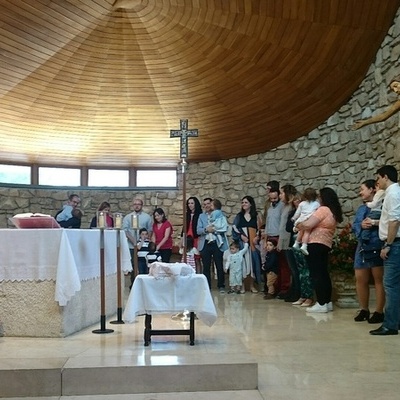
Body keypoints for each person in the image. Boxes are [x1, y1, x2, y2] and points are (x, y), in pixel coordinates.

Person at [297, 187, 343, 313]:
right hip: (325, 243)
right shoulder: (333, 211)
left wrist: (298, 225)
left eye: (319, 196)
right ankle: (327, 302)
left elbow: (308, 224)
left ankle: (321, 302)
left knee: (316, 274)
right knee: (323, 273)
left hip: (315, 243)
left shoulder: (323, 210)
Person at [370, 165, 400, 336]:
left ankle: (390, 324)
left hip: (394, 243)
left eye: (378, 178)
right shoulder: (392, 193)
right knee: (395, 285)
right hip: (394, 242)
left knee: (391, 285)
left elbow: (394, 221)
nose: (378, 182)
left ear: (386, 177)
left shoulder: (393, 193)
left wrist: (388, 244)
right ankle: (395, 320)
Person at [352, 179, 385, 323]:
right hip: (362, 246)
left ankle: (379, 311)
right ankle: (364, 309)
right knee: (360, 278)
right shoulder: (361, 208)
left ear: (372, 189)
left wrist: (372, 224)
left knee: (378, 279)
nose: (360, 192)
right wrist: (361, 225)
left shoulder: (382, 205)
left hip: (376, 244)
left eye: (362, 189)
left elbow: (386, 223)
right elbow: (355, 225)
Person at [197, 197, 229, 292]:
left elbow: (224, 226)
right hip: (205, 243)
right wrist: (206, 230)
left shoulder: (219, 214)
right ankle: (207, 285)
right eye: (205, 204)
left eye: (208, 203)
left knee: (219, 264)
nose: (207, 206)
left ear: (212, 205)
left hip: (217, 243)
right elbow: (198, 230)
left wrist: (216, 229)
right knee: (206, 266)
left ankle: (221, 285)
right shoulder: (201, 216)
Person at [232, 195, 260, 293]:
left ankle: (252, 285)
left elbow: (259, 228)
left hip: (253, 244)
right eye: (242, 202)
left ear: (251, 204)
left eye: (246, 202)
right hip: (242, 243)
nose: (244, 204)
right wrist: (241, 236)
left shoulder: (256, 215)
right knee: (242, 264)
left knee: (252, 264)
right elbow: (234, 228)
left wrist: (257, 237)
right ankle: (242, 285)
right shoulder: (239, 216)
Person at [122, 198, 153, 285]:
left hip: (143, 246)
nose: (136, 205)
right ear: (133, 205)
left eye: (138, 204)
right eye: (135, 204)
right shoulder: (128, 217)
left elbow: (150, 230)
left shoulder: (146, 217)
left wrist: (145, 242)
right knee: (133, 265)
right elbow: (126, 230)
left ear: (141, 205)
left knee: (144, 264)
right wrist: (134, 242)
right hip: (131, 246)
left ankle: (144, 284)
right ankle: (134, 284)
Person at [276, 184, 298, 299]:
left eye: (281, 193)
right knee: (290, 267)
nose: (280, 196)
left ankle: (296, 291)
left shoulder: (292, 207)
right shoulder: (285, 207)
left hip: (290, 239)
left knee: (294, 268)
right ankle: (292, 290)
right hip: (284, 238)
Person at [292, 187, 320, 255]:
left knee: (301, 231)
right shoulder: (316, 204)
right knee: (307, 232)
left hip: (301, 219)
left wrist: (294, 218)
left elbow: (298, 213)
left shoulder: (302, 204)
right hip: (308, 219)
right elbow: (318, 212)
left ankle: (296, 243)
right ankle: (304, 245)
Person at [181, 196, 202, 272]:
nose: (190, 205)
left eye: (192, 203)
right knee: (187, 258)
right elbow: (184, 228)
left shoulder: (200, 214)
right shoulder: (187, 214)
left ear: (195, 204)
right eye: (189, 203)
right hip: (188, 238)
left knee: (197, 259)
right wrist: (182, 240)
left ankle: (199, 275)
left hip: (196, 238)